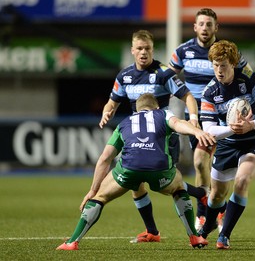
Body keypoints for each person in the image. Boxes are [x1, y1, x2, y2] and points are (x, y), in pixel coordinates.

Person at [56, 93, 215, 250]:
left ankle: (72, 242)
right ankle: (194, 236)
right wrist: (197, 132)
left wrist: (92, 190)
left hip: (130, 168)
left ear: (136, 110)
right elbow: (179, 124)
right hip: (159, 169)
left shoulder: (124, 122)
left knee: (100, 197)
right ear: (157, 107)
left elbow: (105, 159)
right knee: (178, 187)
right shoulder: (163, 114)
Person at [98, 30, 207, 243]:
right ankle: (153, 232)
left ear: (152, 50)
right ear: (132, 51)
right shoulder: (124, 76)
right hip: (136, 138)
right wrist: (107, 110)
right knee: (134, 184)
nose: (143, 52)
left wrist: (193, 119)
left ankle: (199, 199)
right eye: (139, 48)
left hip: (163, 138)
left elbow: (188, 96)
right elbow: (112, 101)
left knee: (171, 186)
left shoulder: (163, 73)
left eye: (147, 48)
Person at [168, 8, 250, 231]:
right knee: (198, 163)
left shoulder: (227, 52)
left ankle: (219, 211)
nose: (205, 28)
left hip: (226, 117)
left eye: (209, 24)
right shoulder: (183, 51)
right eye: (201, 24)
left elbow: (248, 76)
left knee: (221, 167)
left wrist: (248, 104)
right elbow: (167, 78)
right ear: (195, 27)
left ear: (216, 27)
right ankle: (204, 214)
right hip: (197, 118)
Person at [199, 40, 255, 249]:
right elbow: (208, 129)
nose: (219, 70)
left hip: (254, 139)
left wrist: (251, 125)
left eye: (223, 65)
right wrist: (232, 129)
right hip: (227, 143)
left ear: (233, 63)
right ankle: (208, 225)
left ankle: (224, 234)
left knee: (242, 181)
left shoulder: (250, 80)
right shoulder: (209, 91)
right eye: (215, 65)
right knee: (216, 195)